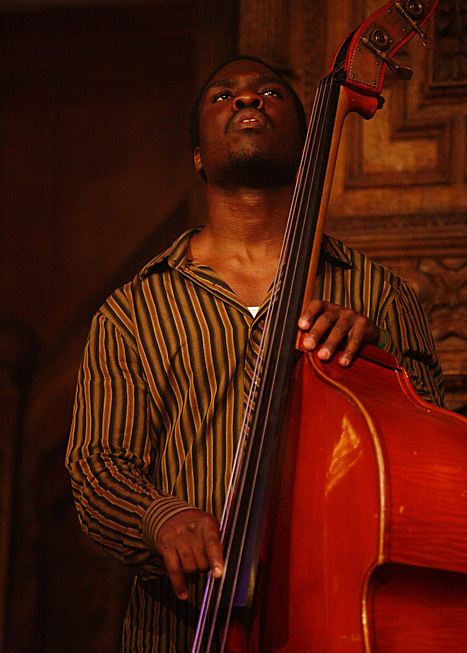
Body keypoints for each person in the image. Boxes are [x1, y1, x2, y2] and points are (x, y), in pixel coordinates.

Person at [66, 56, 444, 652]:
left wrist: (378, 366)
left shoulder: (378, 296)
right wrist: (159, 516)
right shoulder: (131, 312)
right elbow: (99, 467)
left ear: (305, 145)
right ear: (197, 155)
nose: (247, 101)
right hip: (181, 629)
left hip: (344, 623)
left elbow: (434, 472)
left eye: (269, 93)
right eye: (224, 95)